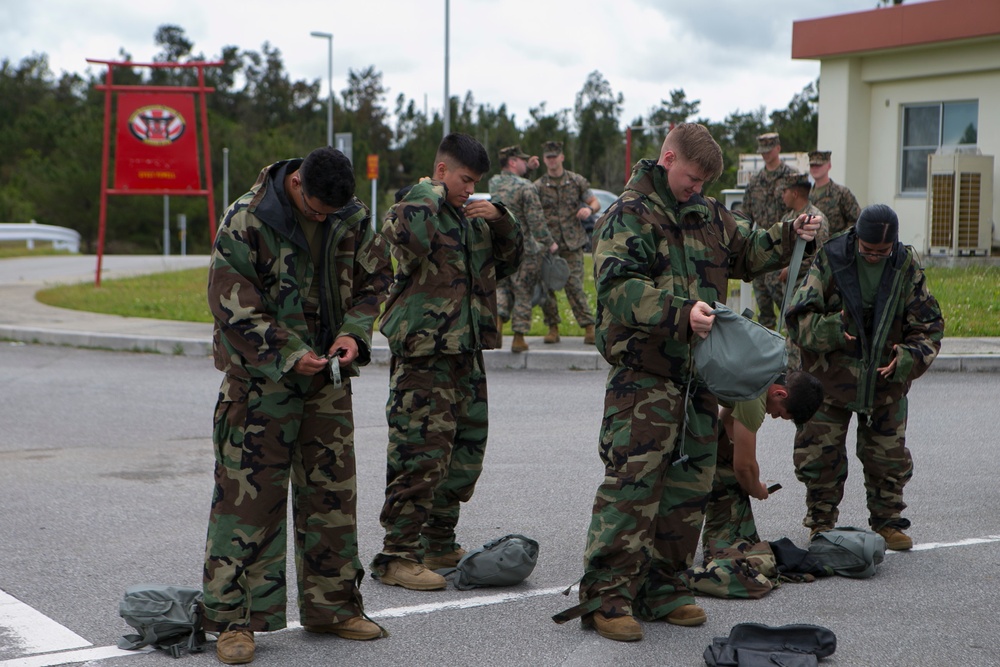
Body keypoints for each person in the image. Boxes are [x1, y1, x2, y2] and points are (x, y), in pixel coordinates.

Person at [553, 123, 822, 643]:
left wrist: (793, 233)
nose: (696, 188)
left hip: (698, 377)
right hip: (645, 377)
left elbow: (749, 249)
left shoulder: (710, 215)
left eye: (703, 183)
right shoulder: (627, 215)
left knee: (689, 486)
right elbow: (616, 287)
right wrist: (680, 313)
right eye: (692, 178)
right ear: (668, 157)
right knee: (633, 486)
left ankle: (664, 587)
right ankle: (607, 596)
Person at [203, 147, 392, 664]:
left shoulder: (348, 215)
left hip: (327, 379)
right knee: (248, 501)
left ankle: (332, 606)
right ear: (297, 184)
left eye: (334, 211)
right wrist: (288, 352)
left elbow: (376, 282)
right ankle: (234, 622)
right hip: (260, 380)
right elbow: (228, 302)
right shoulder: (247, 218)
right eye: (316, 209)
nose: (324, 218)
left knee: (332, 494)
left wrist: (354, 334)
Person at [371, 133, 524, 591]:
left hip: (466, 353)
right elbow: (402, 239)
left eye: (475, 182)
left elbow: (511, 260)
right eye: (463, 179)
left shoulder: (471, 219)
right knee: (419, 454)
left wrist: (501, 218)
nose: (469, 189)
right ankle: (398, 554)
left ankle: (439, 540)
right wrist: (428, 193)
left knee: (464, 455)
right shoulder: (415, 209)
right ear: (441, 172)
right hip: (424, 357)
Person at [785, 204, 944, 552]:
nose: (873, 257)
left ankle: (887, 522)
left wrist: (906, 358)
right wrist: (832, 330)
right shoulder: (832, 260)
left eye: (881, 253)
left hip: (885, 382)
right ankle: (821, 522)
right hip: (830, 381)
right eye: (867, 250)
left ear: (894, 247)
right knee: (820, 457)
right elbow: (797, 319)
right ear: (857, 239)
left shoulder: (905, 267)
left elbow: (930, 328)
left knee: (887, 458)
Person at [701, 371, 824, 554]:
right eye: (779, 412)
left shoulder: (765, 370)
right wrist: (757, 489)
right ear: (780, 394)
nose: (773, 416)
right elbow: (744, 467)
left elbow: (724, 423)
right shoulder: (755, 395)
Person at [534, 140, 601, 345]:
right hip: (549, 245)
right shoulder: (538, 186)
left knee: (574, 286)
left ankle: (589, 326)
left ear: (562, 157)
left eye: (555, 157)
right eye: (548, 157)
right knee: (547, 288)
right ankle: (553, 327)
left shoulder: (576, 181)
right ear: (545, 159)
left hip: (573, 243)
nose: (552, 161)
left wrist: (589, 210)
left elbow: (594, 202)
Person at [490, 145, 556, 353]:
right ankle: (518, 338)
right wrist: (549, 242)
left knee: (501, 288)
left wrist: (529, 169)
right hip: (524, 249)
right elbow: (536, 221)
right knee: (523, 292)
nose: (524, 163)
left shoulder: (494, 182)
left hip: (499, 247)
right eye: (521, 160)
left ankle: (498, 325)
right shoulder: (526, 187)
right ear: (512, 162)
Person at [742, 132, 798, 329]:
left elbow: (800, 210)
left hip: (784, 250)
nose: (765, 154)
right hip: (761, 249)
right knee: (764, 315)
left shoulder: (792, 177)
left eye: (768, 150)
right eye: (762, 151)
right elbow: (746, 215)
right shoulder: (755, 181)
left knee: (790, 310)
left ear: (778, 149)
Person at [776, 174, 829, 369]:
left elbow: (820, 258)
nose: (782, 196)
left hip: (807, 289)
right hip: (789, 289)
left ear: (795, 193)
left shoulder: (816, 218)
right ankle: (791, 374)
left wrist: (791, 267)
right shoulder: (787, 218)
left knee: (802, 334)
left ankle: (801, 373)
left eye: (785, 191)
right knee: (789, 334)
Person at [808, 150, 861, 237]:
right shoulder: (807, 195)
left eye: (819, 165)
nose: (815, 168)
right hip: (812, 246)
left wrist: (840, 238)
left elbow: (856, 220)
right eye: (812, 165)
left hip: (835, 246)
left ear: (829, 166)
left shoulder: (842, 193)